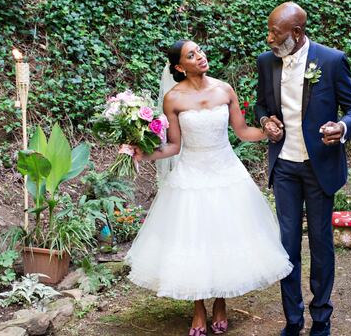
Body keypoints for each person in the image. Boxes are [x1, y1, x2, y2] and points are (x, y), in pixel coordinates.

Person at [125, 39, 293, 336]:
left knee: (225, 237)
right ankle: (199, 308)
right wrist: (143, 153)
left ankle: (221, 301)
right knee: (195, 241)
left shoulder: (224, 89)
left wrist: (268, 132)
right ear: (179, 67)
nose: (200, 57)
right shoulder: (174, 98)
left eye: (200, 51)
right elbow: (174, 146)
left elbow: (242, 132)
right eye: (191, 55)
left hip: (227, 173)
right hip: (191, 176)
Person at [255, 2, 351, 336]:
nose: (270, 37)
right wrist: (265, 120)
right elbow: (262, 103)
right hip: (284, 166)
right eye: (270, 30)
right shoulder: (266, 62)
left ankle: (321, 319)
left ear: (298, 33)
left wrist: (342, 128)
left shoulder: (331, 61)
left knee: (320, 243)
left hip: (320, 168)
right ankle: (292, 320)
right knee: (286, 245)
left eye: (276, 32)